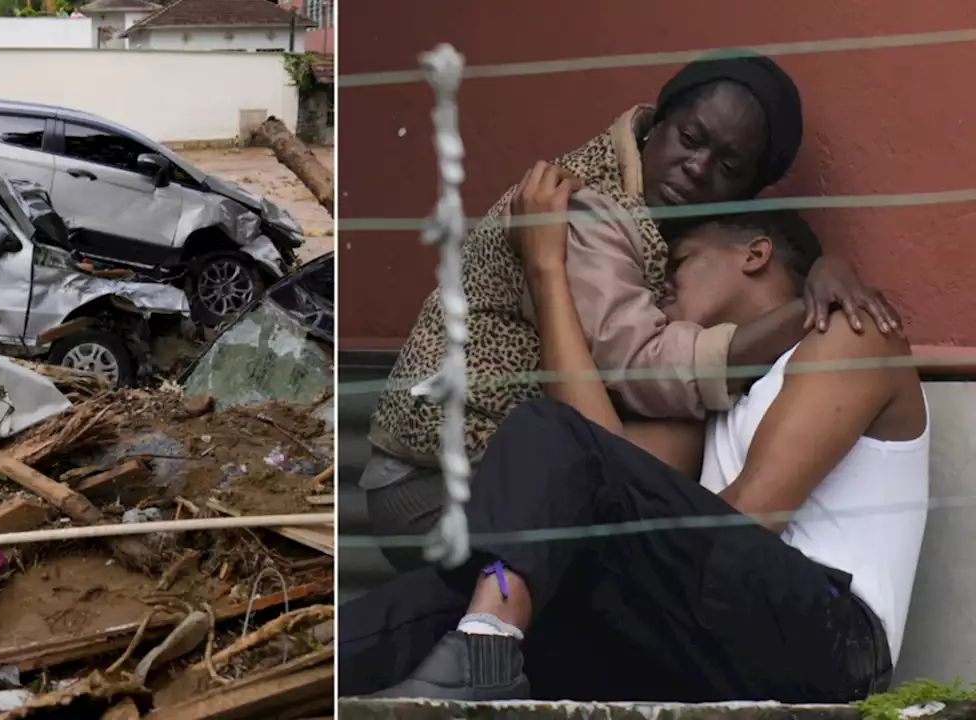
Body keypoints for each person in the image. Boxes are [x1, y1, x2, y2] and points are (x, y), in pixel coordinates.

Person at [338, 171, 930, 704]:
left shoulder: (851, 334)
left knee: (545, 437)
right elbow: (591, 470)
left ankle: (488, 641)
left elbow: (750, 520)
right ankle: (313, 673)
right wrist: (546, 271)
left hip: (834, 641)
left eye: (681, 264)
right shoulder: (719, 403)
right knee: (443, 593)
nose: (661, 292)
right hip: (721, 638)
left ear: (754, 255)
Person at [360, 52, 904, 570]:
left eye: (728, 166)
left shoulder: (658, 217)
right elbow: (639, 361)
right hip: (430, 484)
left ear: (747, 192)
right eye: (691, 139)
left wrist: (825, 268)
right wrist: (807, 309)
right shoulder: (584, 207)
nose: (697, 167)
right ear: (657, 123)